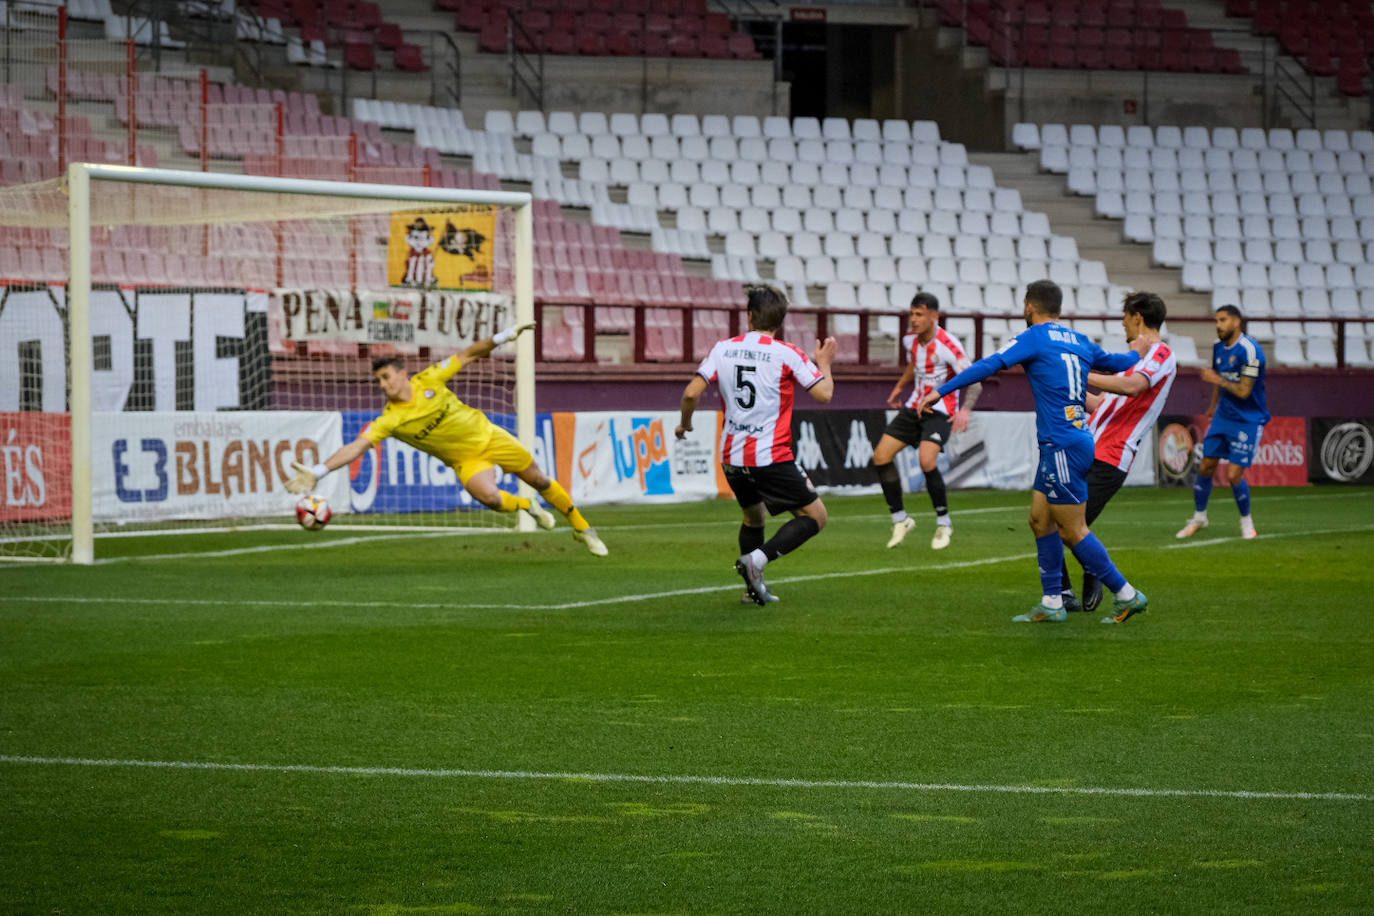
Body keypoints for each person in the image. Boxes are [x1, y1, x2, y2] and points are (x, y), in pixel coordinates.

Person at [916, 280, 1148, 624]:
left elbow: (989, 364)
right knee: (1040, 521)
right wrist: (1137, 350)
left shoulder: (1034, 337)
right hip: (1072, 439)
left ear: (1029, 306)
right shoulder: (1080, 340)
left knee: (1073, 530)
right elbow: (1116, 363)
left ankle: (1128, 594)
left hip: (1062, 444)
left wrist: (942, 390)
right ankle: (1052, 601)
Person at [284, 323, 608, 556]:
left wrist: (502, 337)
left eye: (385, 377)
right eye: (378, 381)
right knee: (492, 500)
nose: (383, 385)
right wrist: (319, 471)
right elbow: (357, 447)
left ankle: (583, 529)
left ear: (402, 373)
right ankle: (527, 507)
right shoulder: (389, 420)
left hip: (490, 436)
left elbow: (468, 355)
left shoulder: (431, 379)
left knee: (538, 477)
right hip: (466, 461)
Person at [675, 284, 837, 606]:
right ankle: (757, 561)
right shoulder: (787, 353)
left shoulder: (723, 348)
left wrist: (685, 423)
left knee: (754, 519)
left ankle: (752, 590)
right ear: (780, 322)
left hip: (732, 455)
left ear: (749, 316)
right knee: (816, 517)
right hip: (770, 455)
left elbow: (691, 392)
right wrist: (825, 363)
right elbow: (824, 394)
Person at [1057, 291, 1177, 614]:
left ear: (1137, 317)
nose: (1123, 323)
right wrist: (1061, 382)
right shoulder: (1132, 362)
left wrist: (1080, 373)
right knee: (1058, 523)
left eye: (1125, 317)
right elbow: (1101, 403)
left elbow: (1134, 387)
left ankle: (1086, 585)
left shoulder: (1160, 354)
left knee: (1067, 527)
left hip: (1111, 456)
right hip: (1090, 448)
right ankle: (1067, 591)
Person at [873, 292, 981, 551]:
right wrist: (899, 387)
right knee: (881, 456)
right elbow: (913, 365)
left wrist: (965, 410)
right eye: (912, 314)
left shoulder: (949, 345)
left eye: (919, 314)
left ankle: (944, 522)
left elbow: (974, 381)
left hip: (941, 409)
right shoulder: (909, 340)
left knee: (926, 460)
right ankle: (901, 519)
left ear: (935, 316)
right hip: (914, 406)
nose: (914, 319)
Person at [1177, 304, 1270, 540]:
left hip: (1247, 419)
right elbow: (1219, 383)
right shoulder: (1218, 348)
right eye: (1216, 320)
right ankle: (1199, 517)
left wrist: (1216, 378)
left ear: (1237, 322)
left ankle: (1247, 523)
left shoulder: (1251, 351)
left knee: (1233, 475)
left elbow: (1244, 391)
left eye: (1223, 320)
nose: (1218, 325)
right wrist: (1212, 407)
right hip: (1223, 417)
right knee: (1207, 464)